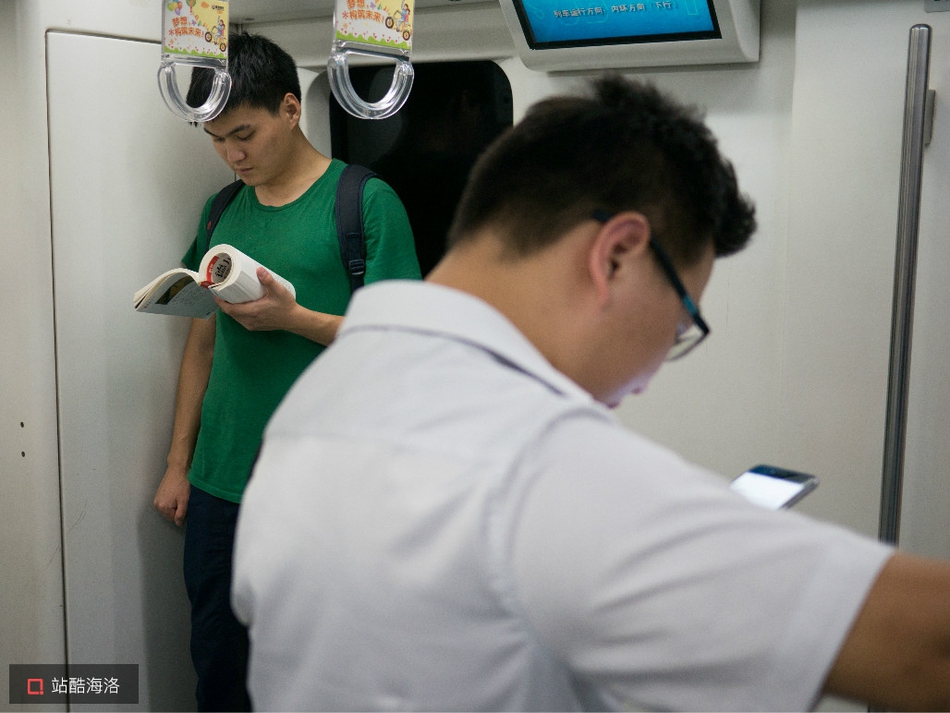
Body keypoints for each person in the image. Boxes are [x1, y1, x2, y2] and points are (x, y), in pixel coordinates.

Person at [230, 76, 950, 711]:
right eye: (677, 324)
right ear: (616, 254)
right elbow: (927, 648)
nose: (651, 373)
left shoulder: (313, 407)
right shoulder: (534, 459)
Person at [151, 31, 421, 711]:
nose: (231, 154)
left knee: (323, 675)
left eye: (243, 133)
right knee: (219, 666)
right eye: (215, 139)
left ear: (292, 110)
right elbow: (203, 344)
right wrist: (179, 461)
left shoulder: (363, 202)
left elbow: (403, 342)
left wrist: (294, 318)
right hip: (222, 483)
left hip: (326, 490)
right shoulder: (220, 211)